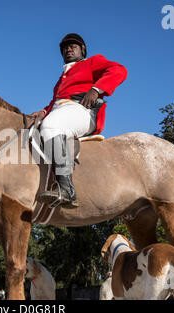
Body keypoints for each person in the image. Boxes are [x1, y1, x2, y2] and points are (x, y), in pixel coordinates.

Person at [30, 33, 128, 208]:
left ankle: (66, 190)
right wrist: (44, 111)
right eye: (65, 47)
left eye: (73, 46)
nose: (69, 49)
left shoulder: (92, 62)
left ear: (83, 50)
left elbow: (119, 70)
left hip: (82, 110)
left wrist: (96, 89)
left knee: (51, 126)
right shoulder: (62, 78)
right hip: (62, 111)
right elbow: (55, 103)